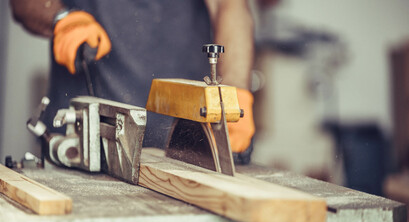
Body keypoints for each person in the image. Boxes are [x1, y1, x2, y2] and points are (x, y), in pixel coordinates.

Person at [10, 0, 255, 163]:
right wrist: (62, 18)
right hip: (81, 143)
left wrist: (235, 96)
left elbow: (230, 5)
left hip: (189, 145)